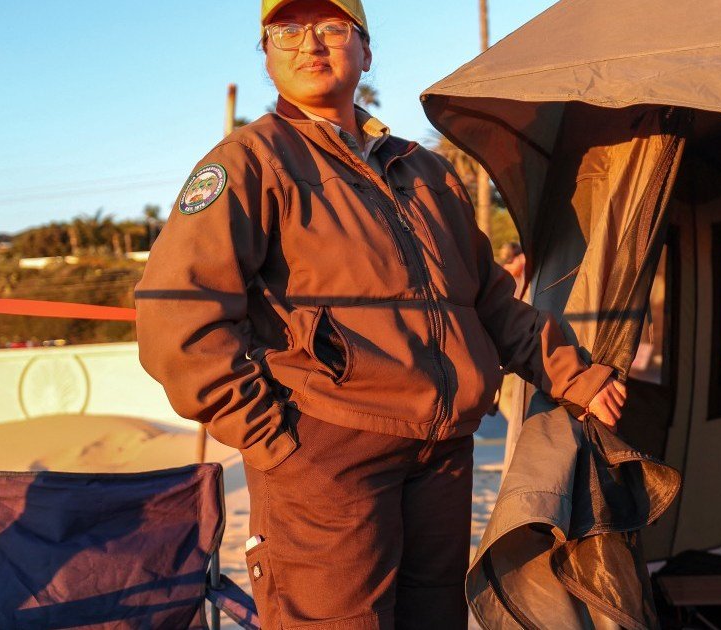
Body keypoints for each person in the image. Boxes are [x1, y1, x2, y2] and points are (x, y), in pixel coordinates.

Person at [133, 1, 626, 628]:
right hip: (328, 450)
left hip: (442, 451)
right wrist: (275, 440)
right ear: (266, 53)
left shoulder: (424, 171)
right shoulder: (248, 162)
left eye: (332, 28)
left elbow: (488, 299)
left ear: (365, 50)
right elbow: (178, 316)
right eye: (286, 31)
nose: (309, 44)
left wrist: (572, 374)